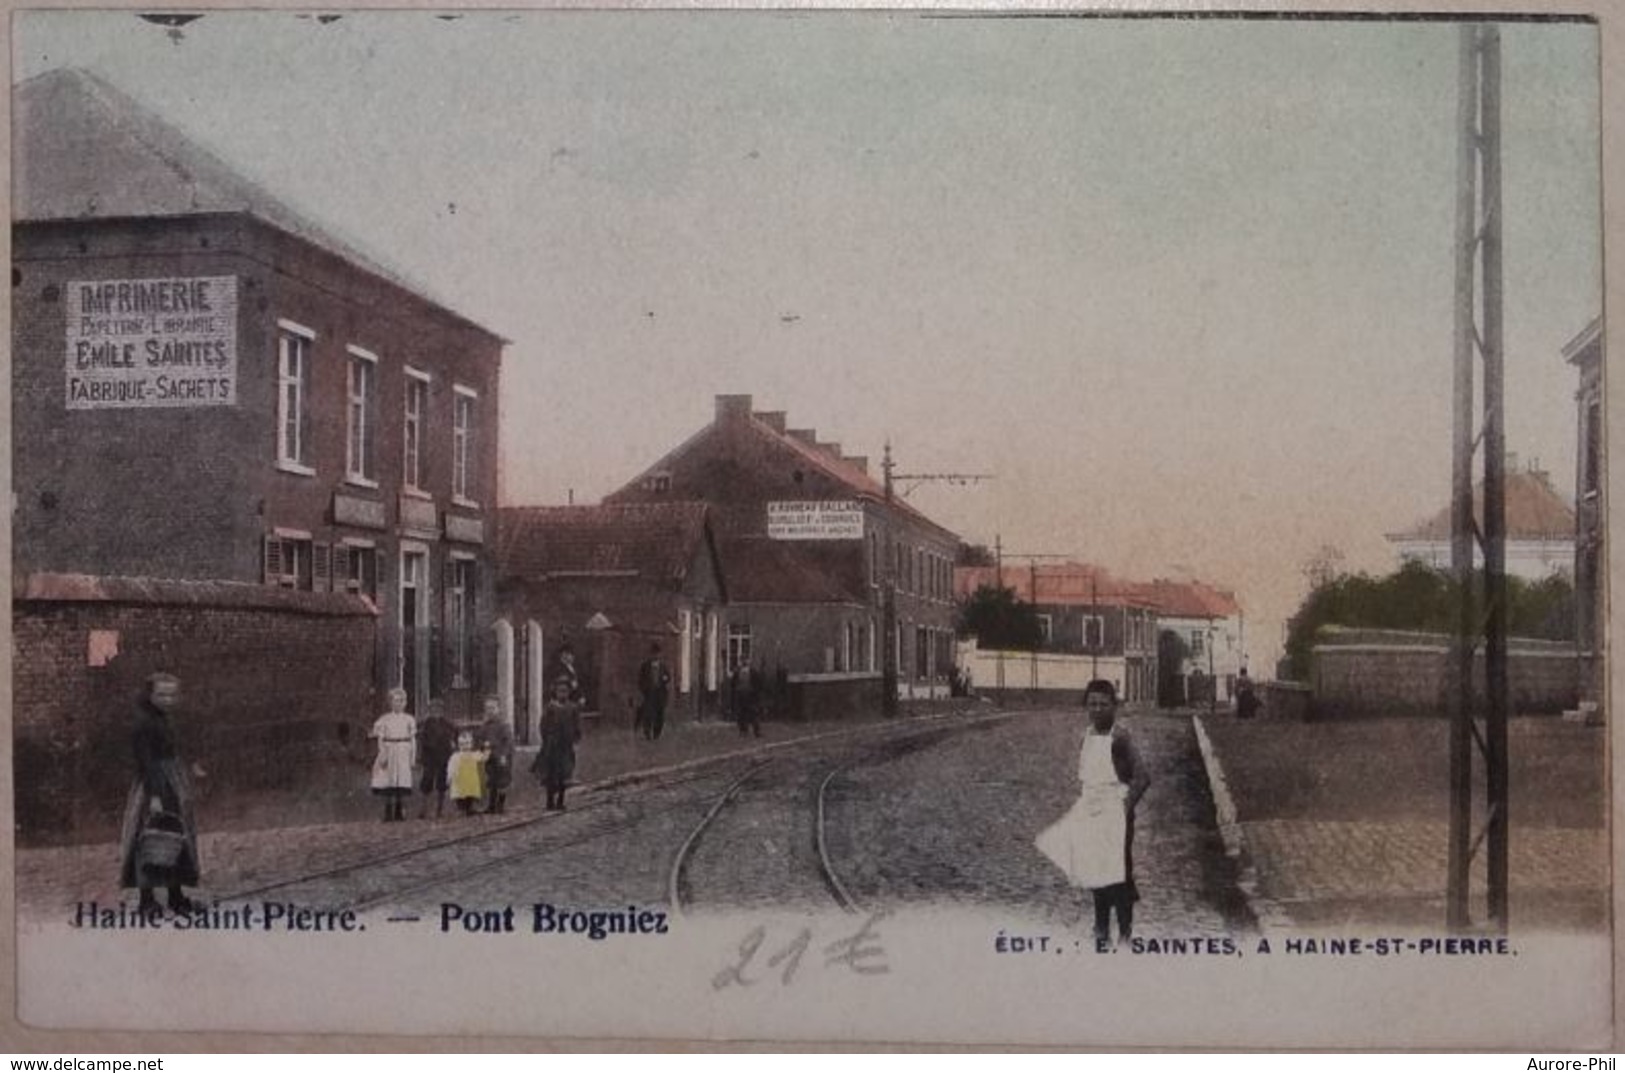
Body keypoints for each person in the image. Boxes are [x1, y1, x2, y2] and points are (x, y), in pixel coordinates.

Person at [1034, 679, 1152, 946]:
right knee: (1094, 870)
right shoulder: (1086, 736)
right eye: (1092, 704)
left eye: (1103, 704)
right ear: (1086, 707)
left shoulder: (1120, 738)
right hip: (1092, 812)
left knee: (1119, 872)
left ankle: (1124, 933)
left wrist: (1124, 807)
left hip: (1116, 814)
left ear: (1114, 707)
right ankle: (1100, 929)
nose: (1097, 709)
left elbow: (1142, 777)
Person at [118, 672, 203, 916]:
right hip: (155, 785)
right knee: (151, 840)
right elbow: (146, 762)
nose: (168, 699)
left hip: (172, 783)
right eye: (162, 694)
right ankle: (147, 900)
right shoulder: (143, 723)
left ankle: (175, 896)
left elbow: (173, 748)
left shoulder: (164, 719)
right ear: (150, 695)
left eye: (172, 694)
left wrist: (190, 767)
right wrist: (154, 796)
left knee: (175, 838)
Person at [533, 675, 583, 811]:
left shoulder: (573, 708)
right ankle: (549, 801)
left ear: (569, 693)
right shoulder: (550, 707)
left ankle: (560, 800)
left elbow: (577, 726)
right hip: (552, 746)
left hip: (565, 747)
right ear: (555, 692)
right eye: (559, 691)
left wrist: (576, 739)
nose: (562, 694)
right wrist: (547, 739)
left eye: (565, 691)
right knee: (550, 774)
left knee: (563, 774)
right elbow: (543, 725)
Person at [369, 688, 417, 823]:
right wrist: (382, 754)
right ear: (391, 702)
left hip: (402, 749)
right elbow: (380, 739)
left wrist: (412, 756)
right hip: (389, 749)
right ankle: (387, 810)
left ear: (405, 703)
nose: (398, 704)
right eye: (396, 701)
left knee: (401, 780)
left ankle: (400, 809)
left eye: (401, 701)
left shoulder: (409, 719)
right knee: (387, 780)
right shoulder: (385, 720)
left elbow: (412, 739)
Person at [415, 698, 456, 819]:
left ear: (442, 711)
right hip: (429, 757)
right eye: (433, 709)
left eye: (438, 709)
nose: (436, 712)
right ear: (429, 710)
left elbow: (454, 735)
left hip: (443, 756)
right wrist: (420, 756)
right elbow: (420, 739)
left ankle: (440, 808)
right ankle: (424, 809)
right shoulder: (425, 724)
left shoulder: (448, 724)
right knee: (427, 781)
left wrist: (452, 747)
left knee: (442, 782)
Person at [480, 696, 515, 815]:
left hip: (501, 757)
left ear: (498, 709)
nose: (490, 711)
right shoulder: (484, 726)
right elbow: (481, 739)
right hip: (490, 756)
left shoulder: (503, 725)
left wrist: (504, 755)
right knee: (492, 780)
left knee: (502, 781)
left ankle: (500, 805)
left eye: (493, 708)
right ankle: (491, 805)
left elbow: (508, 742)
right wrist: (483, 749)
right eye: (488, 708)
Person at [446, 730, 487, 817]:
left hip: (470, 780)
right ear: (459, 745)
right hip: (460, 780)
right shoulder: (456, 756)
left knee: (470, 794)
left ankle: (469, 808)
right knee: (460, 795)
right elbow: (451, 767)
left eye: (467, 743)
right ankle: (461, 809)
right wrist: (449, 777)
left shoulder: (474, 755)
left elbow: (483, 757)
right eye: (462, 744)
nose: (465, 747)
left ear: (471, 744)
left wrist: (486, 749)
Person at [637, 642, 672, 741]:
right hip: (649, 693)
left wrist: (665, 679)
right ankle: (647, 732)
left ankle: (657, 733)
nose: (655, 656)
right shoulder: (645, 666)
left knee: (660, 714)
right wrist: (644, 689)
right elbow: (640, 679)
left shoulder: (663, 666)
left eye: (657, 654)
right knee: (648, 713)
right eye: (654, 654)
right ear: (651, 654)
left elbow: (668, 677)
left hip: (660, 693)